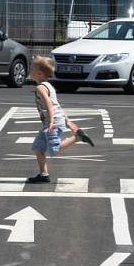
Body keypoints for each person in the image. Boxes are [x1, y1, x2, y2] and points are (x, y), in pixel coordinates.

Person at [27, 56, 94, 184]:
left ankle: (77, 138)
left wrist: (51, 122)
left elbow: (49, 105)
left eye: (32, 68)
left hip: (51, 123)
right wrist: (67, 120)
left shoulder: (40, 88)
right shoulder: (49, 86)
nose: (30, 71)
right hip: (54, 120)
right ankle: (44, 174)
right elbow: (57, 104)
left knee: (54, 149)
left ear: (39, 73)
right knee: (38, 147)